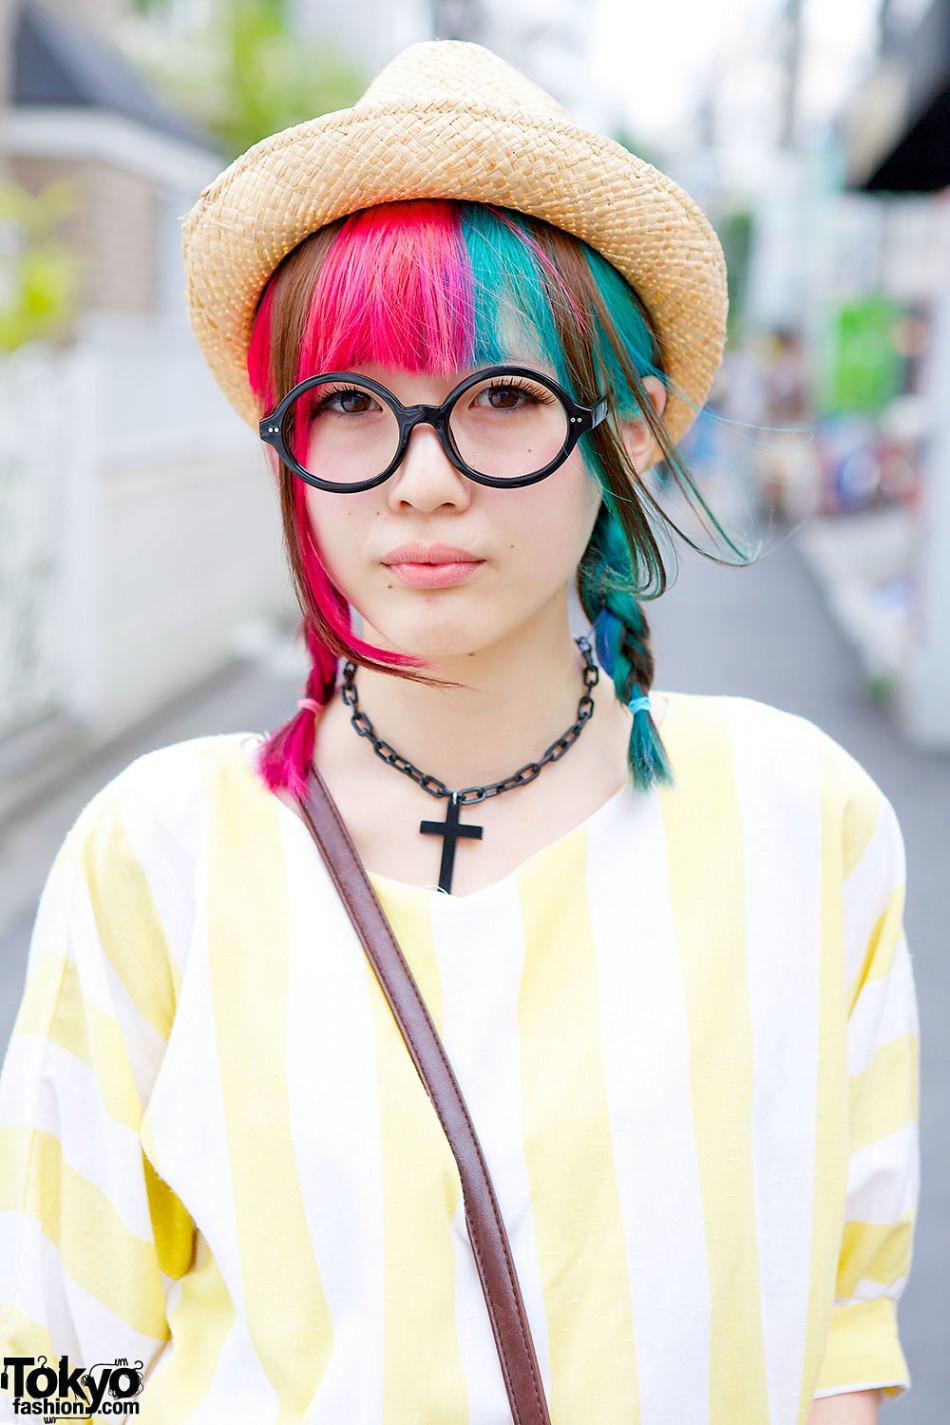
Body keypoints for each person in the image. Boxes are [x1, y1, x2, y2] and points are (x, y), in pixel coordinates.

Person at [0, 40, 918, 1425]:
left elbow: (841, 1329)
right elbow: (52, 1357)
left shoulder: (802, 818)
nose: (421, 479)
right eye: (350, 405)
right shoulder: (157, 854)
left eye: (500, 398)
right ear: (285, 453)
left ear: (631, 430)